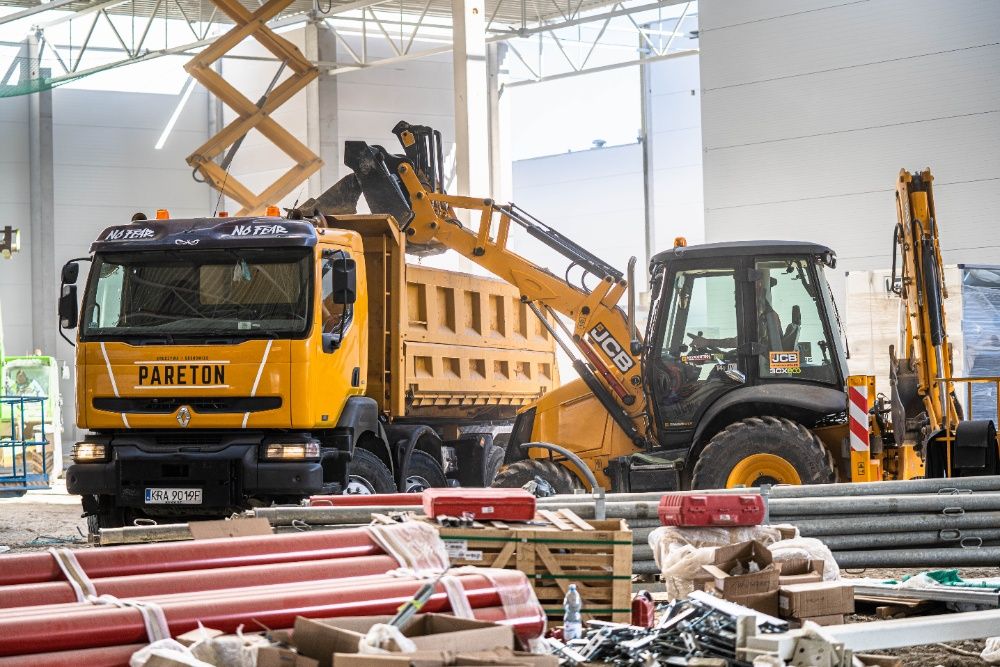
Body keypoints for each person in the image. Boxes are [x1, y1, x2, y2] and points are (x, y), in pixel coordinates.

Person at [689, 277, 783, 351]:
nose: (735, 305)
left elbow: (738, 342)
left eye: (738, 300)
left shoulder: (765, 318)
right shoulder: (764, 315)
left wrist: (708, 342)